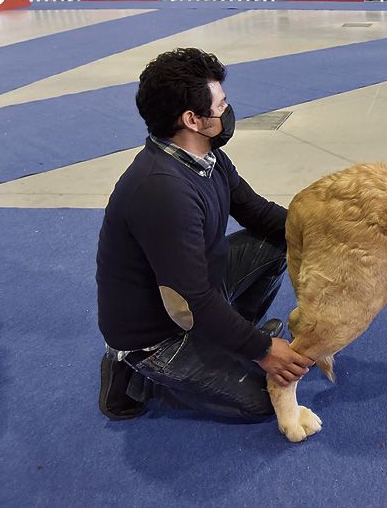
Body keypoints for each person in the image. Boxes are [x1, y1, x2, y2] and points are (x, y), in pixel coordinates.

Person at [96, 48, 313, 421]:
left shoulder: (207, 158)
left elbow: (259, 214)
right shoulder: (162, 190)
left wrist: (325, 235)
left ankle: (226, 341)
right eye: (221, 104)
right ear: (192, 119)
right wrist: (262, 350)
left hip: (191, 296)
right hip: (158, 332)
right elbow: (190, 301)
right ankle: (131, 370)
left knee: (282, 240)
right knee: (263, 401)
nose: (228, 112)